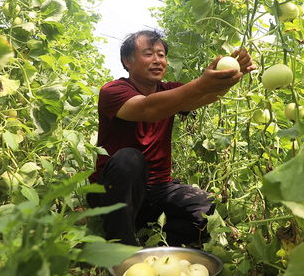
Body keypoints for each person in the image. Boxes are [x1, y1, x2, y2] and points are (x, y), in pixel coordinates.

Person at [86, 30, 255, 247]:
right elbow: (149, 108)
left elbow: (204, 96)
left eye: (162, 55)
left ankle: (150, 236)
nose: (158, 60)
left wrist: (230, 77)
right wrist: (202, 83)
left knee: (205, 210)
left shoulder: (171, 91)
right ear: (127, 61)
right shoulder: (114, 90)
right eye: (149, 54)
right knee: (129, 158)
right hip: (114, 191)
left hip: (157, 190)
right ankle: (122, 247)